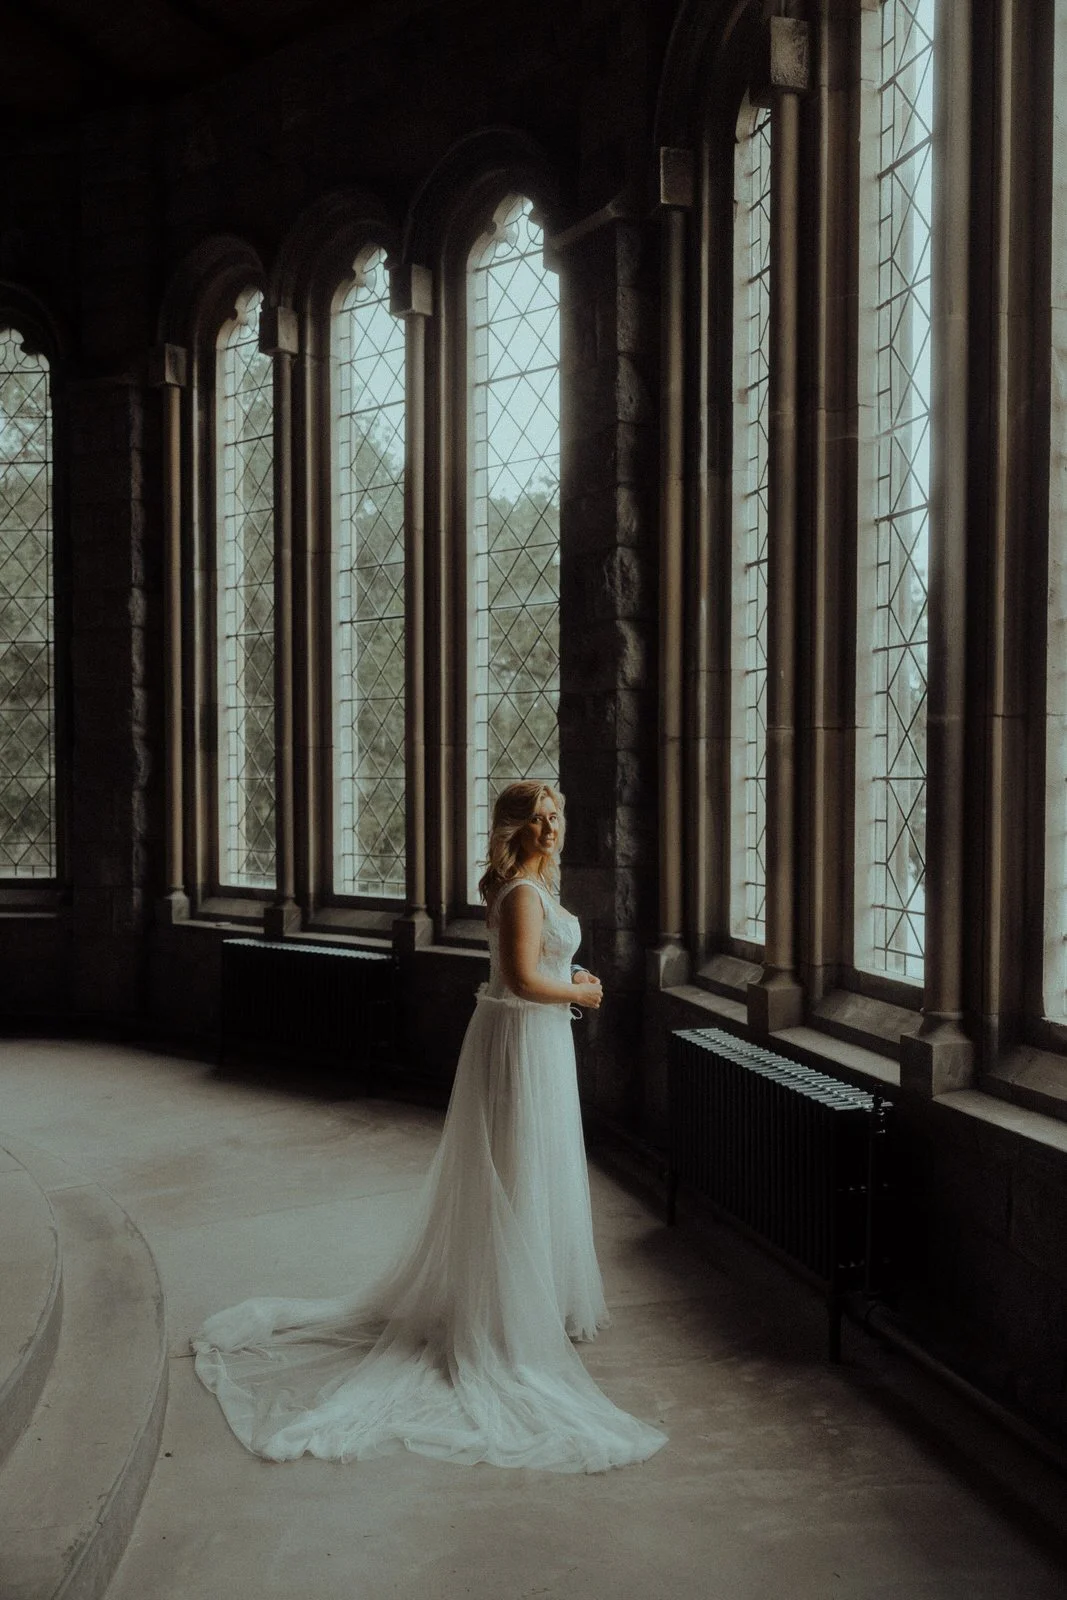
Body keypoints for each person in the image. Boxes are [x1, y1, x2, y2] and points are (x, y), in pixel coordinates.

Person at [192, 779, 667, 1472]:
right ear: (511, 828)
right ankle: (503, 1316)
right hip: (520, 1038)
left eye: (555, 815)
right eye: (536, 819)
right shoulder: (519, 895)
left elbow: (539, 967)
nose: (550, 827)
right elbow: (521, 980)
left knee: (536, 1162)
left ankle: (534, 1297)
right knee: (516, 1162)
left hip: (537, 1038)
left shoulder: (533, 890)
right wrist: (581, 991)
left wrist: (566, 973)